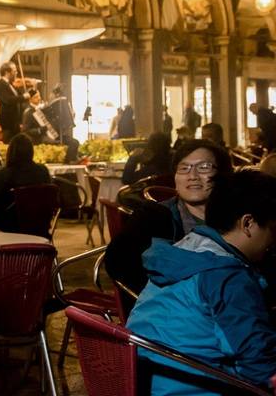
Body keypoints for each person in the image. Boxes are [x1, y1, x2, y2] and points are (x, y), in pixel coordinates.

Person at [127, 170, 276, 395]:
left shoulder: (183, 251)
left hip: (144, 380)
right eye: (274, 230)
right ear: (248, 223)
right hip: (196, 387)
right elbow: (259, 367)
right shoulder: (227, 276)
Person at [105, 139, 233, 296]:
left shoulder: (240, 218)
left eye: (204, 167)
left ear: (223, 175)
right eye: (183, 168)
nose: (192, 176)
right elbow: (118, 264)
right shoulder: (154, 217)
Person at [0, 134, 51, 231]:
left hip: (10, 228)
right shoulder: (42, 171)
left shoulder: (6, 174)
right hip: (40, 227)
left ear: (11, 153)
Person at [0, 61, 28, 143]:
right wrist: (23, 97)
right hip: (8, 122)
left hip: (15, 122)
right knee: (8, 145)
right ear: (7, 72)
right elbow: (8, 100)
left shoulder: (11, 85)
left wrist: (29, 93)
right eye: (14, 71)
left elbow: (20, 98)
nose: (17, 73)